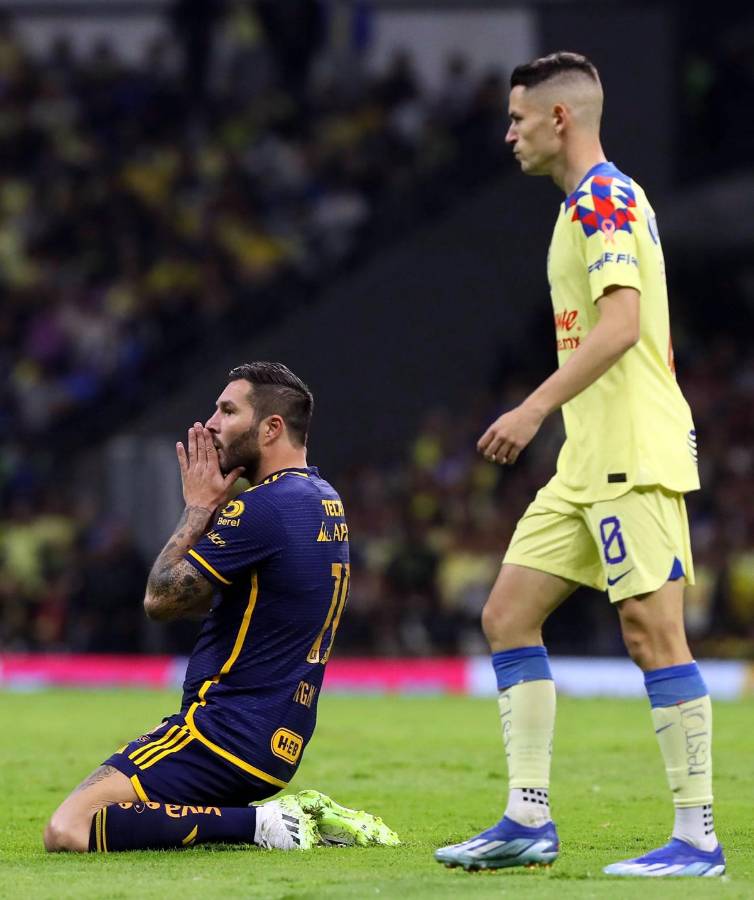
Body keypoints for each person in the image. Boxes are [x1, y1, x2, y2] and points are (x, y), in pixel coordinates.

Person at [434, 53, 724, 878]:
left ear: (559, 119)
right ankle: (527, 819)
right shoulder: (576, 210)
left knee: (652, 635)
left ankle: (697, 837)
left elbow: (622, 326)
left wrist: (530, 409)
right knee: (506, 615)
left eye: (519, 118)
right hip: (586, 459)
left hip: (633, 450)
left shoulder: (603, 198)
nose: (509, 133)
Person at [44, 361, 398, 853]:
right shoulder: (323, 499)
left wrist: (196, 508)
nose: (210, 423)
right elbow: (234, 599)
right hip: (277, 737)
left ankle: (266, 826)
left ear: (272, 427)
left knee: (70, 827)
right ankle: (266, 818)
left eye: (228, 410)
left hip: (222, 734)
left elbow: (160, 599)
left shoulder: (261, 508)